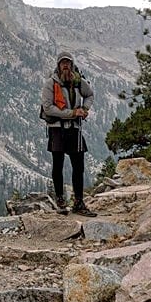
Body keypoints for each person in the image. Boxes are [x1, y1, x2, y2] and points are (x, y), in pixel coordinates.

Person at [41, 53, 97, 216]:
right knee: (57, 165)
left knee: (78, 167)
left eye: (68, 63)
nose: (65, 65)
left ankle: (78, 202)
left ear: (71, 65)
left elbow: (90, 95)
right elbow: (48, 108)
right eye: (63, 63)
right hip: (57, 128)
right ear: (58, 65)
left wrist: (85, 109)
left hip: (74, 129)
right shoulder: (50, 83)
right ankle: (60, 201)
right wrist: (72, 113)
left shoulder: (78, 81)